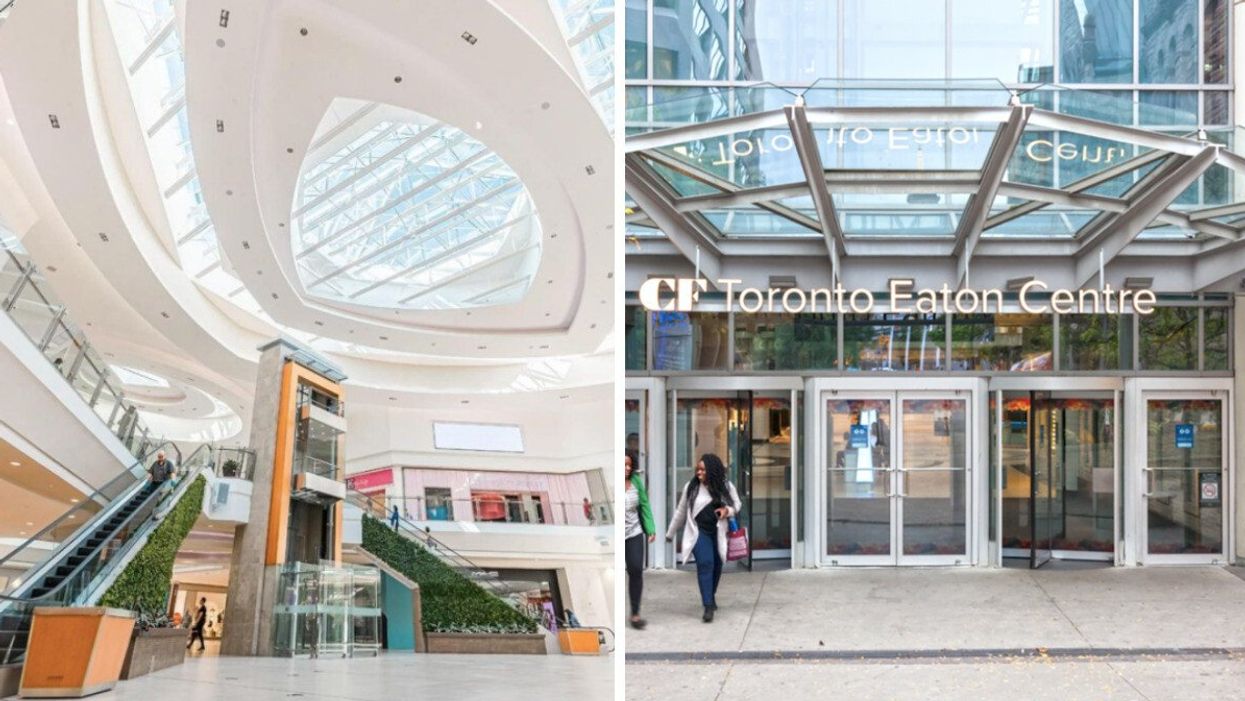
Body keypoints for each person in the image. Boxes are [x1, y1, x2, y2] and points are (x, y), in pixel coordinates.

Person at [665, 453, 741, 623]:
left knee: (717, 565)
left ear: (712, 471)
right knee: (705, 564)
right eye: (697, 469)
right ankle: (707, 605)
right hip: (699, 533)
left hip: (719, 532)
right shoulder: (691, 488)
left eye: (703, 470)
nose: (698, 473)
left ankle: (711, 595)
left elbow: (737, 504)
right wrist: (670, 533)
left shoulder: (726, 487)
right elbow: (681, 511)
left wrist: (727, 511)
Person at [624, 449, 655, 629]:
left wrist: (650, 529)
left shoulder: (636, 482)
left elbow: (644, 505)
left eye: (629, 465)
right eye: (623, 465)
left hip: (634, 532)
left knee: (636, 569)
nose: (627, 468)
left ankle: (635, 613)